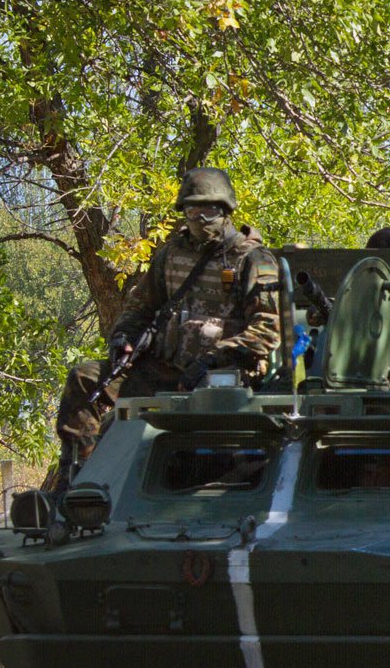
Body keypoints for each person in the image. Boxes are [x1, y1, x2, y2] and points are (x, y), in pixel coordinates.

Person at [51, 167, 281, 491]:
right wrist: (123, 340)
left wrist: (214, 360)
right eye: (193, 210)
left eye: (209, 209)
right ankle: (77, 484)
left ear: (226, 210)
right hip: (162, 370)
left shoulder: (254, 259)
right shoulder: (171, 255)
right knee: (85, 378)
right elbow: (139, 308)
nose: (201, 218)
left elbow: (269, 328)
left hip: (224, 379)